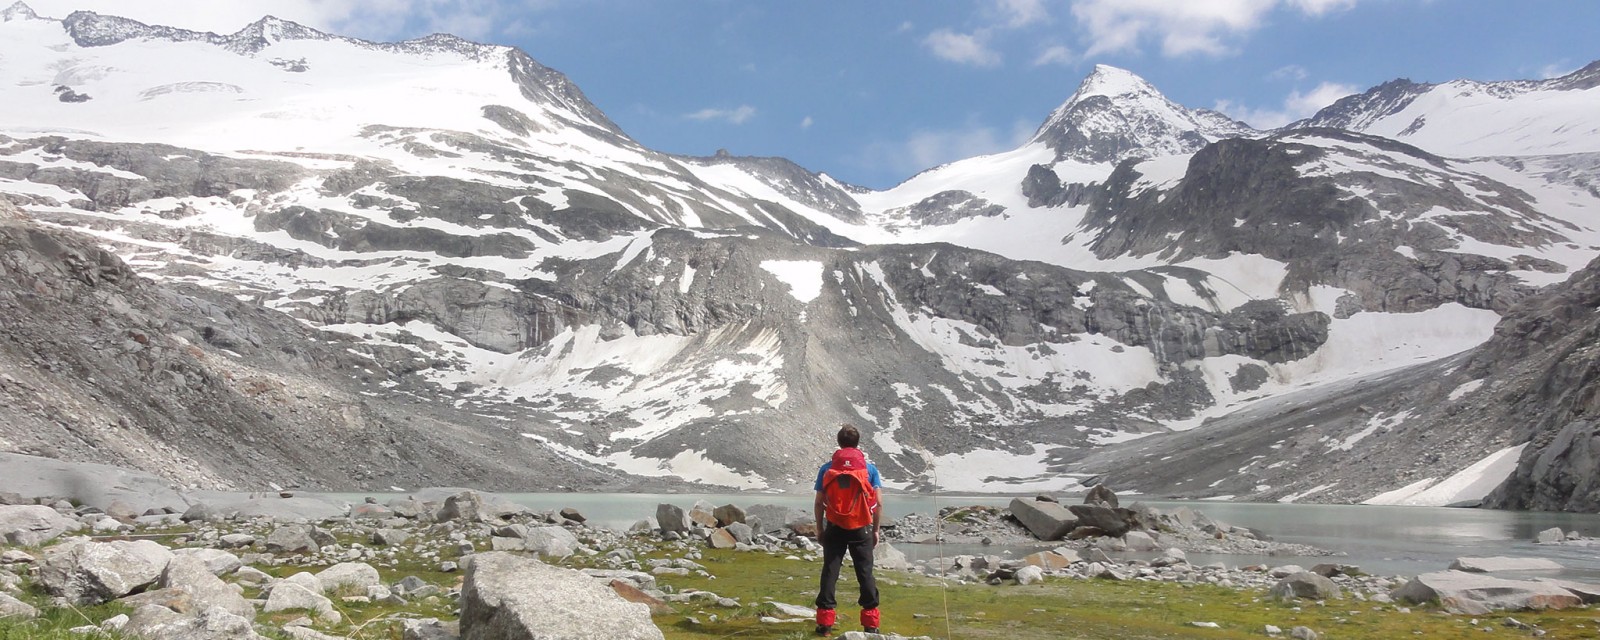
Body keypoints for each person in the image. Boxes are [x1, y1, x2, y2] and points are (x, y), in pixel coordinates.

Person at [813, 423, 883, 636]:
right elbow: (878, 502)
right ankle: (871, 625)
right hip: (861, 528)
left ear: (839, 443)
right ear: (857, 443)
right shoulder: (869, 470)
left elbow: (818, 502)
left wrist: (819, 528)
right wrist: (875, 530)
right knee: (865, 574)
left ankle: (825, 624)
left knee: (830, 573)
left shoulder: (827, 469)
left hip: (834, 527)